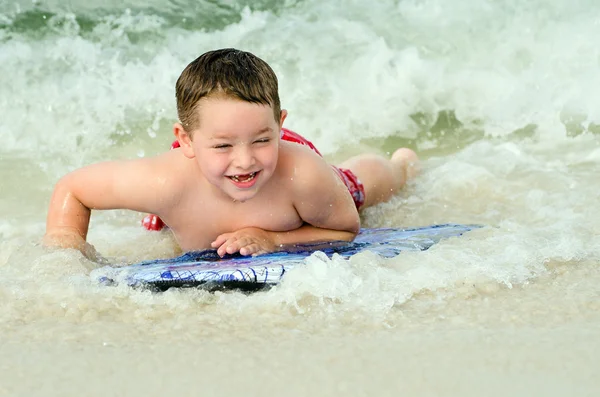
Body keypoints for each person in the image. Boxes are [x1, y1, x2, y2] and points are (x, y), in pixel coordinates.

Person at [44, 48, 419, 258]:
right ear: (185, 140)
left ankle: (402, 163)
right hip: (196, 176)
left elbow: (346, 229)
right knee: (157, 228)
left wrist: (274, 239)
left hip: (290, 164)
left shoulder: (302, 174)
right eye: (224, 145)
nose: (244, 161)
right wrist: (66, 255)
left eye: (260, 140)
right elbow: (73, 189)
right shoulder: (162, 182)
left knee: (356, 185)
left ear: (279, 124)